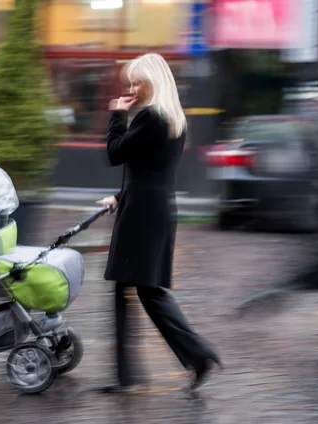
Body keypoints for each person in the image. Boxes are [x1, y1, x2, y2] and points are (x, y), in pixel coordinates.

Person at [96, 53, 221, 393]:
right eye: (130, 82)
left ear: (153, 80)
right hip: (154, 209)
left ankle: (185, 358)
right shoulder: (172, 119)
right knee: (147, 291)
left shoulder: (150, 117)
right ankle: (192, 356)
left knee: (137, 290)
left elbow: (115, 153)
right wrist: (119, 197)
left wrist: (116, 114)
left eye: (137, 81)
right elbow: (149, 169)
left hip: (142, 214)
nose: (132, 88)